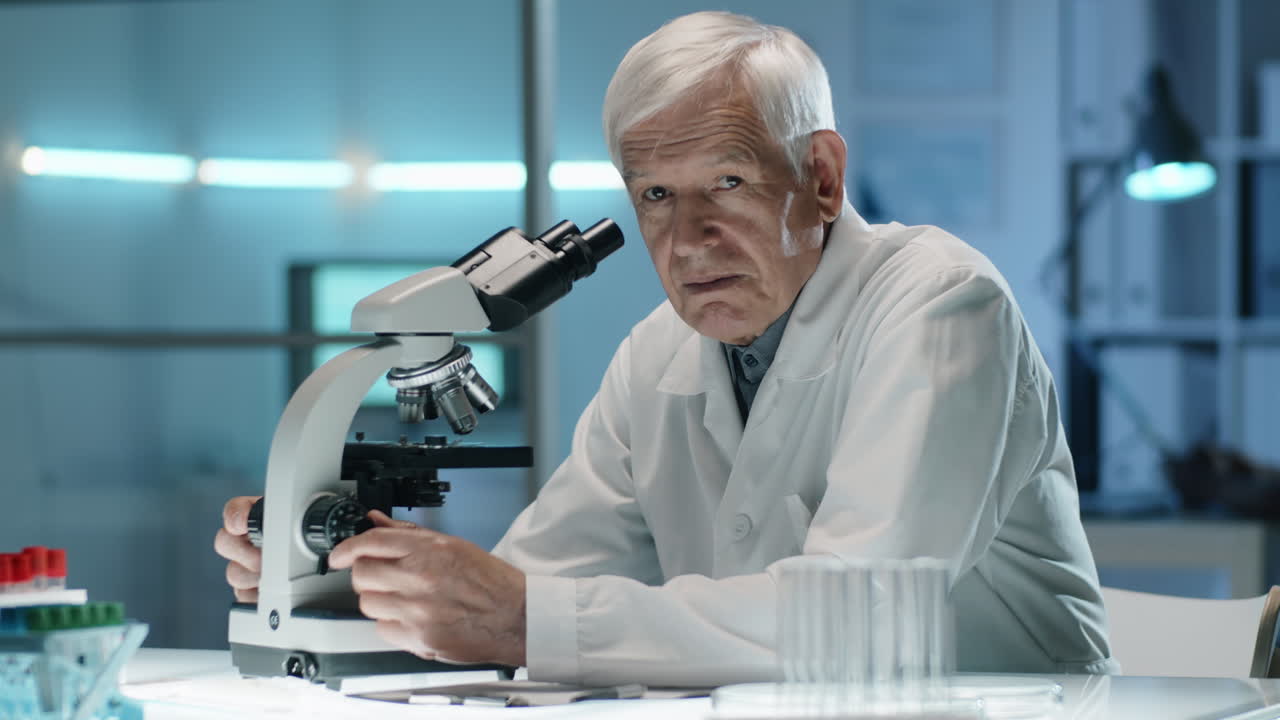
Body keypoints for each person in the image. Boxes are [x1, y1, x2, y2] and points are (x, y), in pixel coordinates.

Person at [216, 10, 1117, 686]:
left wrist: (523, 618)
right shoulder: (658, 353)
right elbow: (531, 586)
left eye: (727, 181)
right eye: (654, 195)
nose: (688, 241)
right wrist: (345, 571)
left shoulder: (940, 306)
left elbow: (862, 621)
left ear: (823, 177)